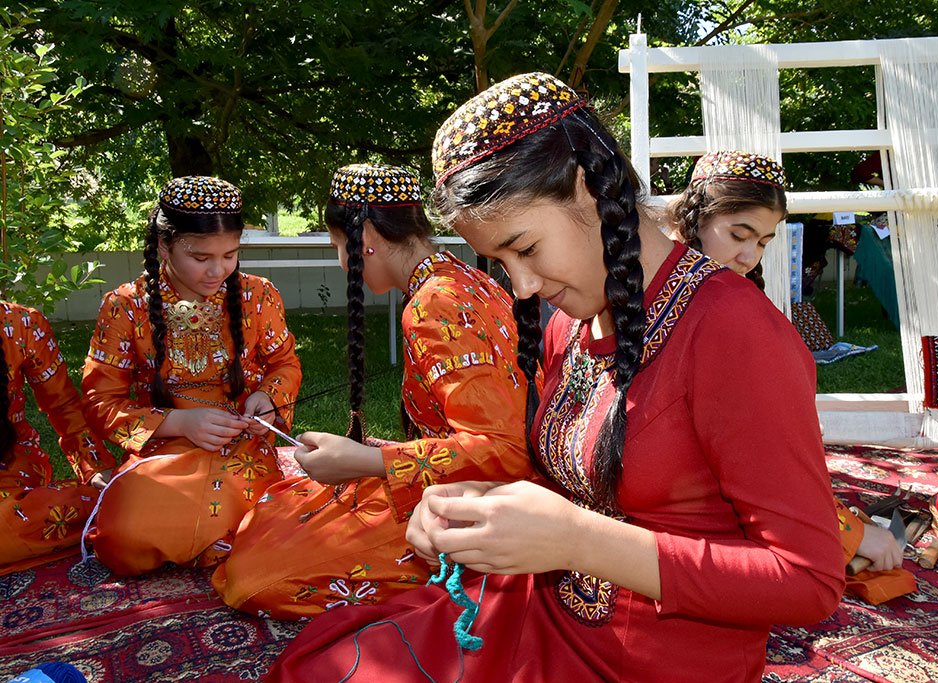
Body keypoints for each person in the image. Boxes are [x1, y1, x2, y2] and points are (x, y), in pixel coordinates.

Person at [267, 73, 844, 682]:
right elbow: (576, 483)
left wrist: (578, 542)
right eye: (501, 261)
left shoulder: (734, 333)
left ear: (589, 189)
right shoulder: (572, 320)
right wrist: (481, 504)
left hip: (655, 663)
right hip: (543, 608)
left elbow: (807, 583)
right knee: (321, 667)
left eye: (526, 247)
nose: (522, 285)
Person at [212, 163, 535, 620]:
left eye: (339, 248)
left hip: (487, 497)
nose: (343, 263)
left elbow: (505, 449)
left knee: (254, 578)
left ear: (365, 236)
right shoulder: (462, 278)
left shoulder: (433, 305)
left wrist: (364, 461)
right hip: (457, 479)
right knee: (273, 515)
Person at [669, 150, 913, 604]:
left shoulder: (710, 295)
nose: (747, 256)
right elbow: (765, 447)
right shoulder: (710, 309)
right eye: (739, 235)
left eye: (762, 242)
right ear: (694, 218)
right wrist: (848, 533)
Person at [80, 175, 302, 576]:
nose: (217, 271)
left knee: (273, 527)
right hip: (162, 453)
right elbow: (99, 402)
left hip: (241, 452)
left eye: (230, 255)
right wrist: (178, 421)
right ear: (164, 245)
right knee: (120, 540)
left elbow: (284, 364)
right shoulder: (125, 306)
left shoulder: (259, 294)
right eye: (200, 258)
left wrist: (267, 399)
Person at [0, 301, 116, 575]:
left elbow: (63, 406)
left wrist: (96, 468)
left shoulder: (22, 324)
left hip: (10, 474)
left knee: (99, 507)